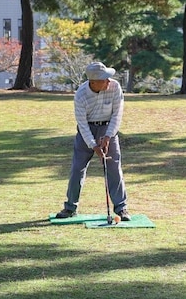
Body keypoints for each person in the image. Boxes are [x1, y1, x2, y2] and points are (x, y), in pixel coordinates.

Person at [55, 61, 130, 221]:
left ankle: (121, 208)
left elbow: (117, 115)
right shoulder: (81, 95)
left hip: (108, 128)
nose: (108, 81)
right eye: (104, 79)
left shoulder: (115, 87)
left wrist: (108, 136)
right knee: (77, 169)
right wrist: (94, 145)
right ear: (93, 82)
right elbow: (82, 124)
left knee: (114, 167)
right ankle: (70, 207)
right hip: (87, 131)